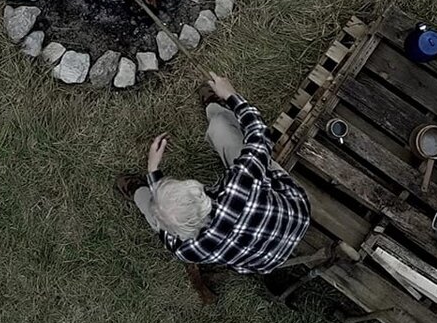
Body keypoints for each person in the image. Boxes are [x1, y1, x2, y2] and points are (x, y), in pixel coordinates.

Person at [115, 72, 311, 300]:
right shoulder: (241, 185)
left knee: (152, 210)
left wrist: (153, 173)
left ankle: (138, 190)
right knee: (222, 128)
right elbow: (259, 135)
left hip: (260, 261)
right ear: (200, 191)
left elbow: (164, 226)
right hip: (296, 214)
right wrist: (231, 95)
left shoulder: (184, 248)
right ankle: (216, 109)